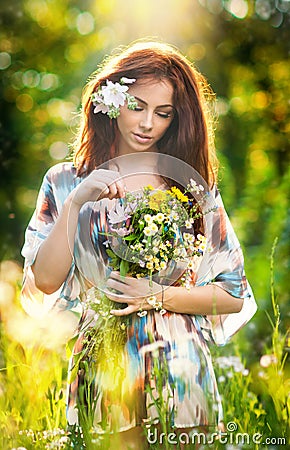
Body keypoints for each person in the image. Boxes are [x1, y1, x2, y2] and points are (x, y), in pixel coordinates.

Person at [21, 40, 257, 449]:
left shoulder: (191, 188)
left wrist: (159, 295)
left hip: (179, 362)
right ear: (111, 102)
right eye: (137, 106)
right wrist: (78, 202)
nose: (148, 123)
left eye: (163, 113)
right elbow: (44, 280)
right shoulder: (64, 181)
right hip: (104, 360)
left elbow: (232, 294)